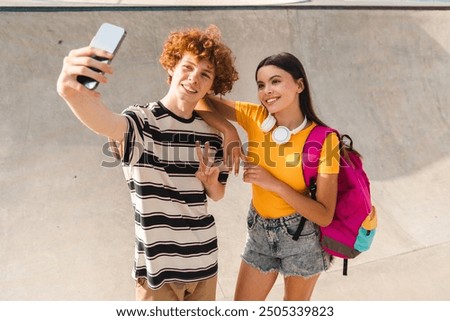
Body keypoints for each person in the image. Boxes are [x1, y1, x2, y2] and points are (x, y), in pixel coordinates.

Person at [56, 25, 239, 301]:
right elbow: (105, 121)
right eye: (187, 67)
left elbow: (217, 194)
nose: (194, 79)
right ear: (171, 68)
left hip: (204, 266)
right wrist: (71, 93)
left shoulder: (211, 134)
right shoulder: (142, 121)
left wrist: (212, 182)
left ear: (212, 85)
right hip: (157, 274)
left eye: (205, 74)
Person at [196, 52, 340, 301]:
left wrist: (274, 184)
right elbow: (200, 100)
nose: (267, 91)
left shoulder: (325, 140)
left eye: (275, 81)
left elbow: (324, 215)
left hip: (302, 237)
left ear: (299, 85)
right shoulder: (255, 116)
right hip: (260, 232)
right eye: (261, 85)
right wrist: (228, 129)